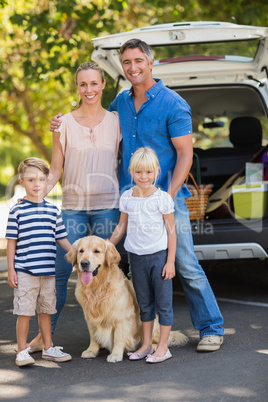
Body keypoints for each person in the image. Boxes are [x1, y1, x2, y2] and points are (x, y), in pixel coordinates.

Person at [50, 39, 224, 352]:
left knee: (183, 263)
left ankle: (211, 327)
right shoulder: (121, 102)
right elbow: (95, 120)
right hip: (128, 200)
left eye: (138, 61)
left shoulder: (173, 104)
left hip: (166, 200)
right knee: (131, 267)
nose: (133, 67)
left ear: (150, 63)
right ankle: (138, 335)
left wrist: (167, 197)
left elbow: (185, 154)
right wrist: (63, 123)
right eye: (127, 62)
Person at [28, 62, 127, 353]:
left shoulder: (117, 121)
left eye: (94, 83)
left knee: (111, 272)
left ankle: (117, 332)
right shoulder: (64, 125)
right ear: (77, 87)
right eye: (83, 84)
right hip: (72, 208)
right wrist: (37, 195)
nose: (89, 90)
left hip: (108, 206)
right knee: (58, 272)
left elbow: (126, 163)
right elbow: (56, 169)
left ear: (102, 85)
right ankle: (44, 337)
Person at [110, 147, 176, 363]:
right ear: (130, 171)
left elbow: (171, 232)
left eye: (148, 172)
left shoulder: (162, 198)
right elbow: (121, 227)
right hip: (136, 259)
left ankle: (163, 347)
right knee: (144, 304)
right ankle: (147, 345)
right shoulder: (127, 197)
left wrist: (170, 261)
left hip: (159, 259)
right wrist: (107, 246)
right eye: (139, 172)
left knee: (163, 304)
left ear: (157, 171)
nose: (144, 177)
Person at [6, 157, 72, 366]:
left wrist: (78, 255)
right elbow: (11, 243)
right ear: (22, 182)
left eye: (41, 179)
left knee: (46, 310)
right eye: (31, 179)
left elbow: (61, 238)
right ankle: (22, 350)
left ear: (47, 182)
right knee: (24, 312)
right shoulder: (17, 211)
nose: (36, 184)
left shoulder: (53, 211)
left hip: (47, 272)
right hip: (25, 271)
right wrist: (11, 270)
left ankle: (48, 347)